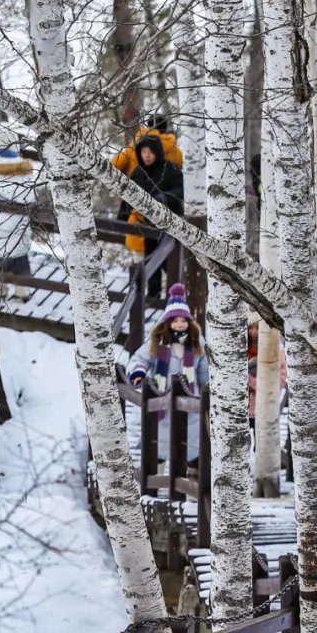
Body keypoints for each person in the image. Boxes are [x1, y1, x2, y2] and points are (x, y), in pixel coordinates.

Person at [127, 284, 208, 461]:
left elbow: (204, 372)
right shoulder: (157, 342)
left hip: (189, 397)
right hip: (162, 397)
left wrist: (207, 391)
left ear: (189, 322)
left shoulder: (197, 344)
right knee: (160, 440)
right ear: (168, 322)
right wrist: (138, 372)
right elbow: (139, 359)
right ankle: (156, 472)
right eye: (175, 320)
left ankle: (187, 470)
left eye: (183, 320)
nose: (179, 324)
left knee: (188, 440)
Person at [0, 131, 37, 299]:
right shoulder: (22, 165)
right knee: (16, 252)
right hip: (15, 220)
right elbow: (29, 197)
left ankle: (1, 289)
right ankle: (21, 292)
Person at [117, 133, 184, 270]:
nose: (146, 156)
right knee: (150, 267)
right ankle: (154, 291)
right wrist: (122, 217)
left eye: (150, 152)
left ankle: (173, 290)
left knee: (171, 268)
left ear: (157, 152)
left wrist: (164, 198)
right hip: (147, 227)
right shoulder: (138, 172)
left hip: (170, 227)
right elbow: (129, 195)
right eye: (143, 152)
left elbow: (181, 190)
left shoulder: (170, 169)